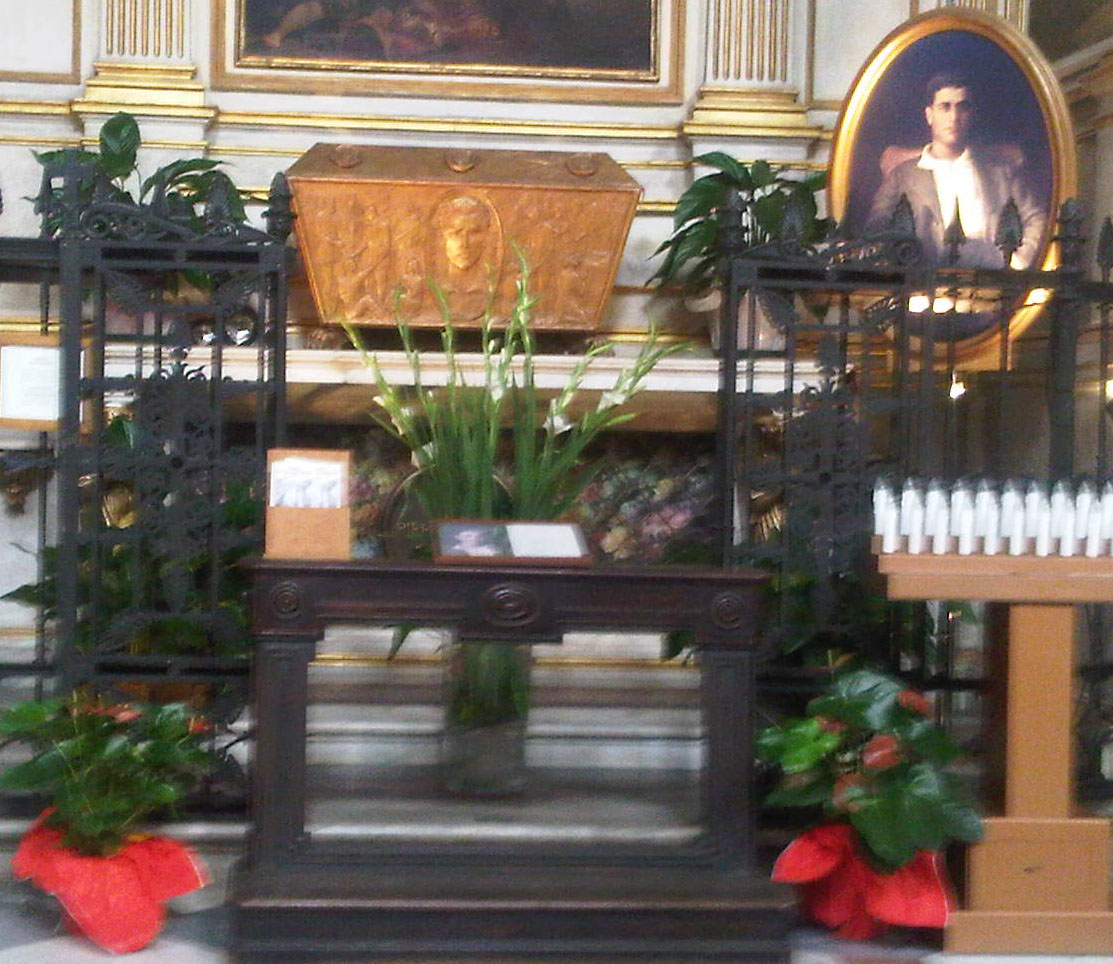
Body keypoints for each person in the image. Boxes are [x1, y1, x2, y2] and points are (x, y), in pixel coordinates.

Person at [865, 71, 1047, 270]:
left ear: (971, 114)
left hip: (994, 279)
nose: (954, 117)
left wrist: (1019, 262)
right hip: (927, 282)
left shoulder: (1001, 170)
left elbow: (1036, 217)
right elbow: (876, 230)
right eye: (945, 107)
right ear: (929, 115)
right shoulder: (902, 176)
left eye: (962, 107)